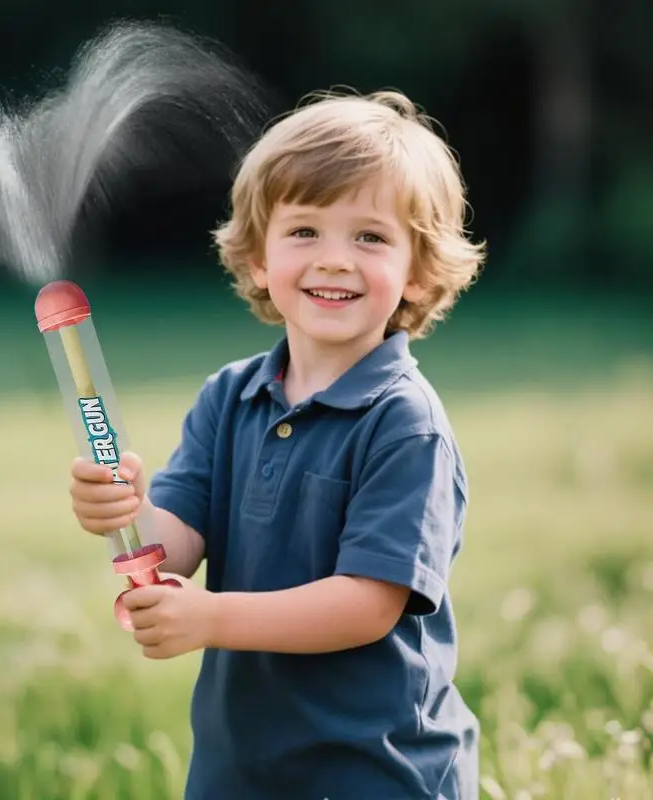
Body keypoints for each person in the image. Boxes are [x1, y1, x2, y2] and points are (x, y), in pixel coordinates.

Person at [69, 89, 486, 799]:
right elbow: (175, 544)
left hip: (376, 769)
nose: (334, 260)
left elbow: (365, 606)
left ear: (417, 271)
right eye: (304, 232)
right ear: (258, 258)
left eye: (370, 237)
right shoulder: (230, 397)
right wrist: (122, 511)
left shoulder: (403, 422)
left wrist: (208, 618)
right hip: (244, 767)